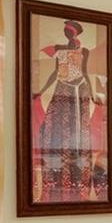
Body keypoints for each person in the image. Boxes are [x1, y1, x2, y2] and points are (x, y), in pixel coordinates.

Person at [35, 20, 103, 202]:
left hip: (79, 89)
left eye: (69, 31)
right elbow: (55, 73)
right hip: (63, 88)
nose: (67, 34)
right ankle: (59, 175)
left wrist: (93, 96)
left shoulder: (84, 51)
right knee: (58, 126)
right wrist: (41, 91)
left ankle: (78, 176)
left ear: (75, 34)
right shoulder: (60, 51)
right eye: (66, 31)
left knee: (79, 132)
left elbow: (86, 73)